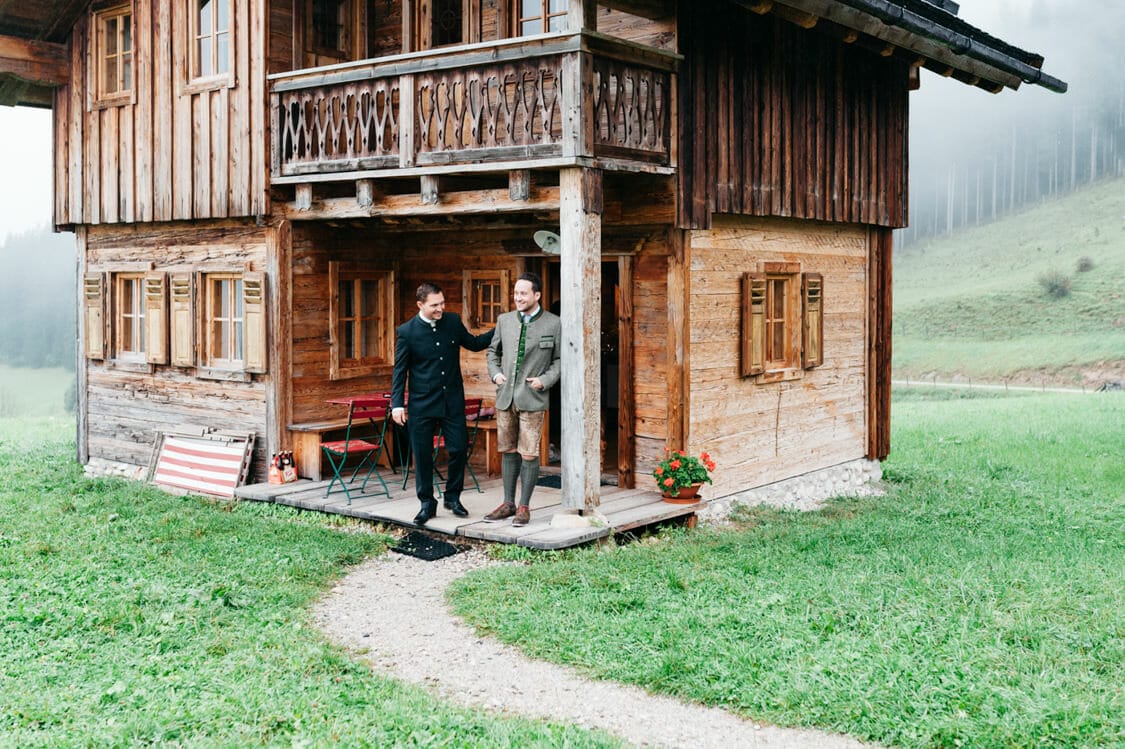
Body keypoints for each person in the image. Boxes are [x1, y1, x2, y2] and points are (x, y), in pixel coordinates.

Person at [391, 282, 494, 525]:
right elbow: (400, 371)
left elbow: (475, 344)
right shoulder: (407, 332)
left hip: (451, 401)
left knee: (459, 448)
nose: (440, 308)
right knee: (423, 455)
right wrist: (397, 404)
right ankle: (427, 503)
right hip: (421, 404)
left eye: (442, 303)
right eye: (434, 305)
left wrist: (501, 329)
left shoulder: (452, 321)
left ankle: (453, 497)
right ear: (420, 305)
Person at [483, 272, 561, 526]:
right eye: (516, 293)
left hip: (533, 398)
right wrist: (495, 375)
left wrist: (545, 381)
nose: (518, 297)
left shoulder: (553, 323)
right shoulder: (504, 320)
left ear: (536, 295)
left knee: (529, 453)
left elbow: (560, 360)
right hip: (505, 396)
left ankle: (524, 507)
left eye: (523, 293)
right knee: (507, 449)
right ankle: (507, 503)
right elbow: (493, 352)